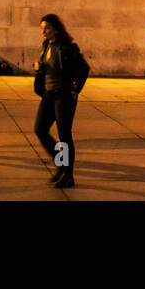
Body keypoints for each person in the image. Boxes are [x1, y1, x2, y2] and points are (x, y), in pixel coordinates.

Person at [33, 13, 89, 188]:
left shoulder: (67, 47)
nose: (44, 31)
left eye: (47, 28)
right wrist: (39, 69)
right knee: (40, 129)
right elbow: (45, 68)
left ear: (56, 29)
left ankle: (68, 175)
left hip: (63, 95)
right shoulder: (45, 46)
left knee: (64, 135)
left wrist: (75, 89)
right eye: (42, 28)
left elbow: (84, 68)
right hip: (49, 94)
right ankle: (60, 163)